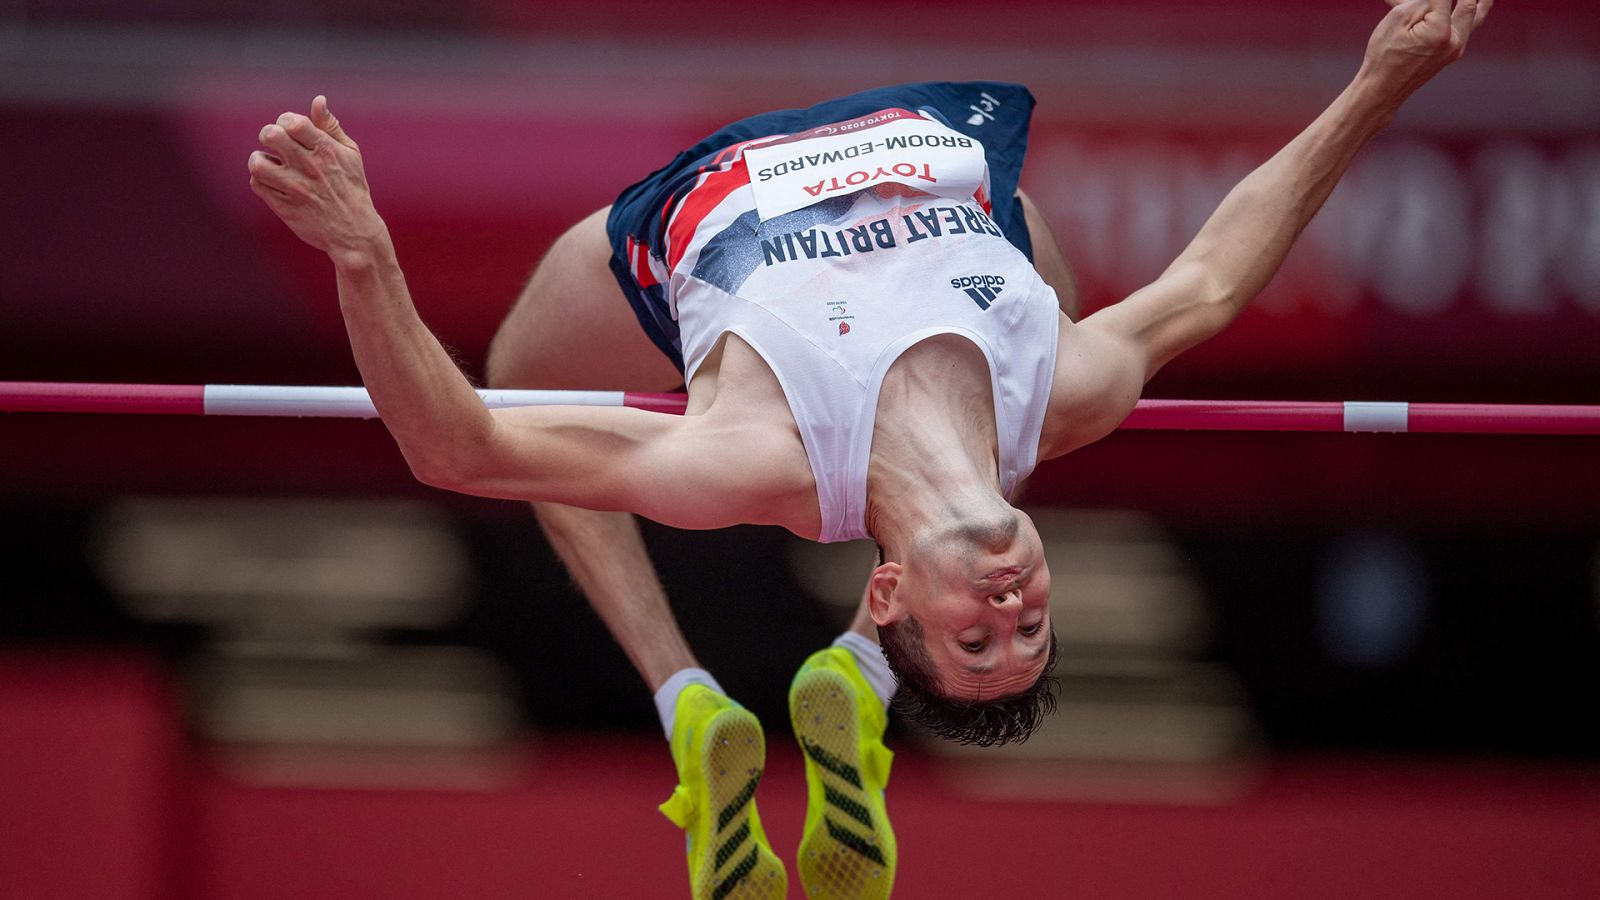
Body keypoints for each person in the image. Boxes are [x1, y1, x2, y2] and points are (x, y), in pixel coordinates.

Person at [246, 1, 1489, 896]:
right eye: (1030, 629)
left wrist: (367, 257)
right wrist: (1383, 77)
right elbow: (1213, 277)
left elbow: (455, 446)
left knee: (520, 382)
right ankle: (861, 676)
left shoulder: (753, 460)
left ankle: (686, 703)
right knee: (1041, 329)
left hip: (705, 198)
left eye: (973, 637)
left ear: (887, 586)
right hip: (929, 147)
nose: (1009, 609)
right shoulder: (1064, 385)